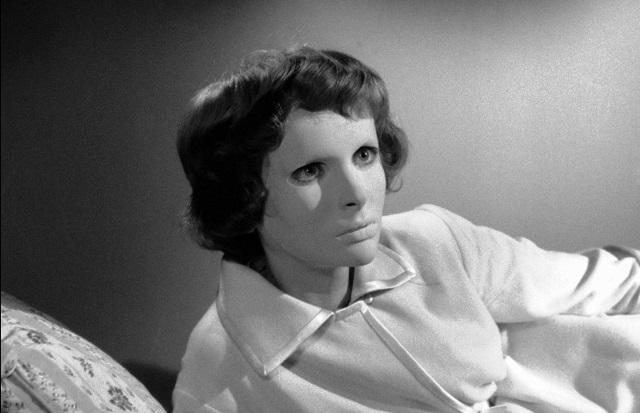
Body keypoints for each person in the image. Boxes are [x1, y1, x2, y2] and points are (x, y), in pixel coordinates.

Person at [172, 46, 639, 413]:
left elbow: (616, 282)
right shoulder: (216, 372)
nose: (357, 194)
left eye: (364, 155)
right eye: (310, 171)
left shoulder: (432, 241)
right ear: (243, 196)